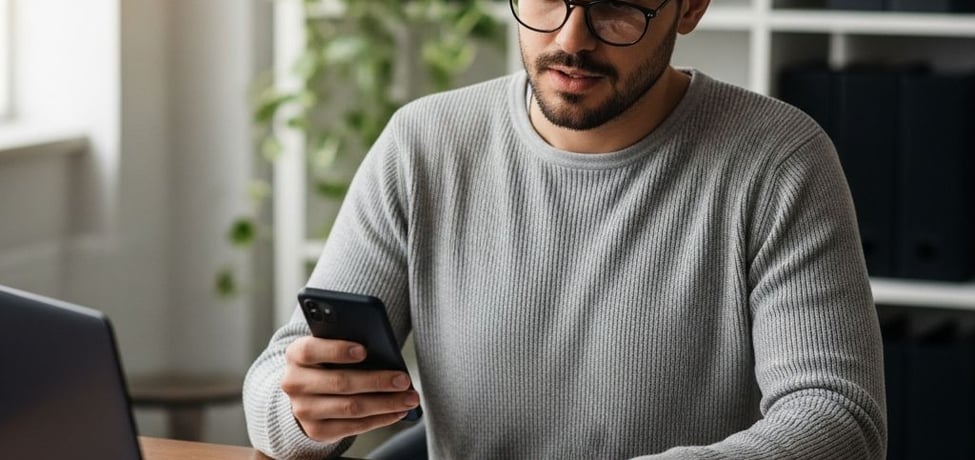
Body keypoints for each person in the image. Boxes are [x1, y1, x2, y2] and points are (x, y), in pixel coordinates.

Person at [243, 0, 887, 457]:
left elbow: (840, 421)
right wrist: (299, 413)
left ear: (690, 8)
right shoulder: (424, 144)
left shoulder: (779, 158)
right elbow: (278, 379)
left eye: (615, 9)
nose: (571, 38)